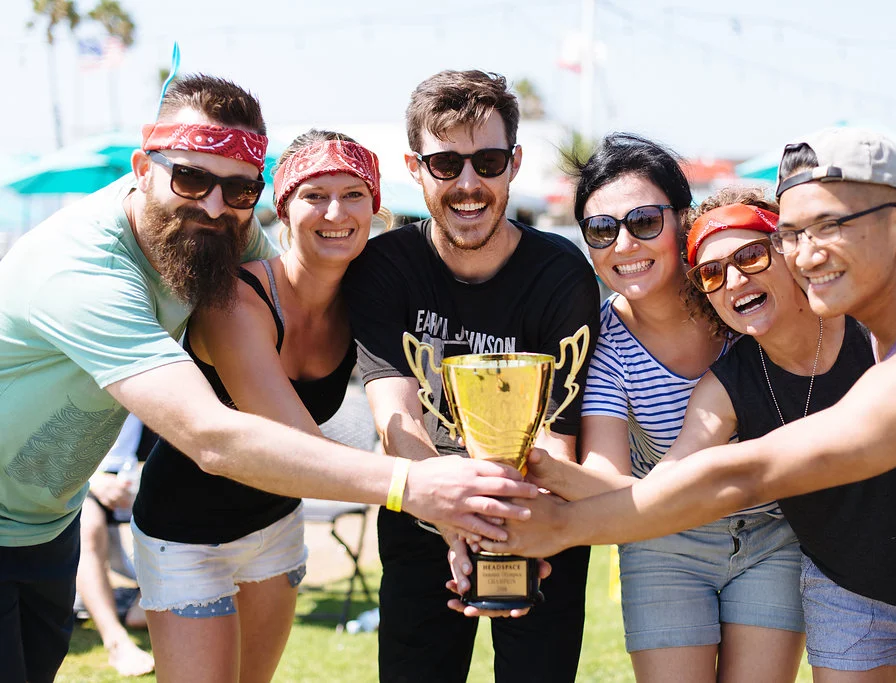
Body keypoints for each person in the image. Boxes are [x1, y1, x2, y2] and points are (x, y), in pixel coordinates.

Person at [0, 74, 534, 683]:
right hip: (155, 529)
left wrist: (461, 515)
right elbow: (210, 435)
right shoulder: (85, 271)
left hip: (49, 524)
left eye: (237, 188)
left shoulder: (226, 234)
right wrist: (417, 487)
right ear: (143, 168)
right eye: (190, 178)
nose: (212, 204)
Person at [481, 126, 896, 681]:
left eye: (830, 226)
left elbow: (752, 475)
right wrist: (530, 470)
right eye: (793, 233)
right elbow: (671, 481)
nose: (807, 253)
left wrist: (563, 525)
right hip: (842, 579)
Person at [343, 69, 601, 683]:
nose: (468, 184)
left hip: (538, 515)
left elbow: (556, 434)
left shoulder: (561, 273)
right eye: (445, 164)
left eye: (487, 162)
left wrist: (509, 529)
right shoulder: (385, 266)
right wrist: (451, 518)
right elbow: (396, 420)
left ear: (514, 164)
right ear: (415, 167)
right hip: (421, 511)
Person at [534, 135, 806, 683]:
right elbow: (609, 482)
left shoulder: (738, 293)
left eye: (644, 221)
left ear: (684, 218)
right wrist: (528, 462)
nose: (624, 244)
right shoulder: (602, 341)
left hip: (774, 535)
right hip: (662, 539)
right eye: (602, 230)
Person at [129, 129, 386, 682]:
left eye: (354, 194)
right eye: (314, 195)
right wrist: (425, 489)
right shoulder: (235, 299)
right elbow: (294, 446)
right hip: (185, 532)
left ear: (375, 208)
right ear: (283, 207)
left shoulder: (366, 301)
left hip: (275, 523)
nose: (335, 212)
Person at [76, 414, 154, 677]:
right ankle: (116, 641)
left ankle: (144, 600)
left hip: (137, 476)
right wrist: (93, 480)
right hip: (83, 479)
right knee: (86, 524)